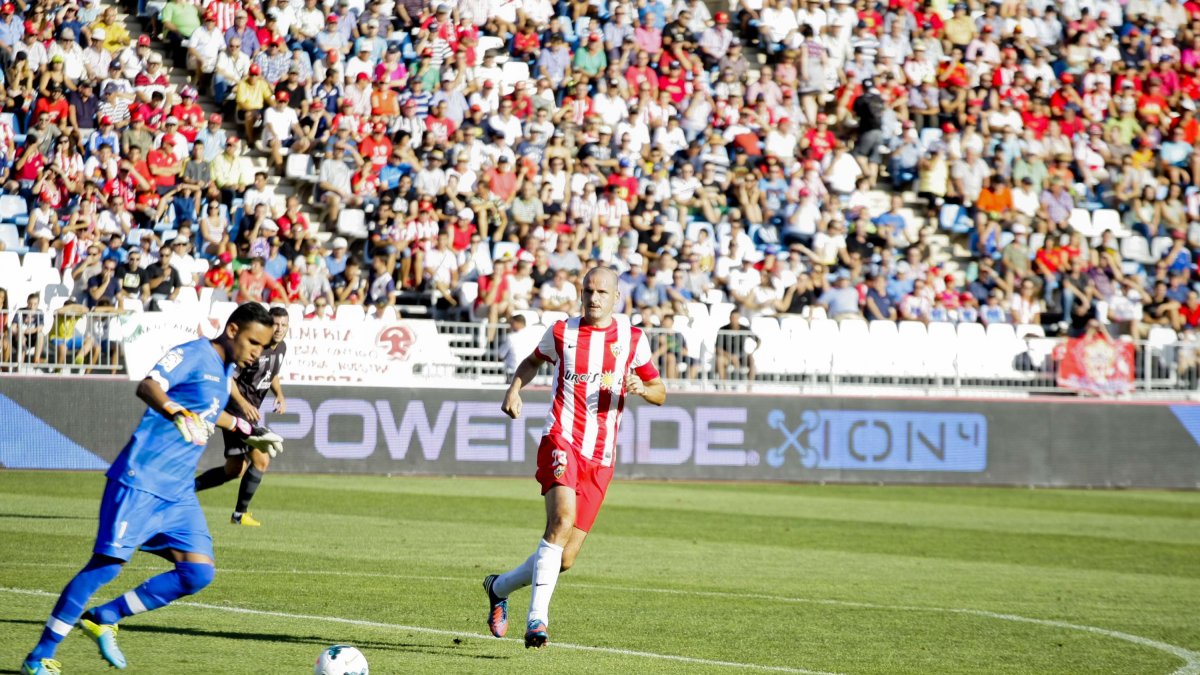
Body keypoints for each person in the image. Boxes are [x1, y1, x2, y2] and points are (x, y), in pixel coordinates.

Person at [21, 303, 282, 675]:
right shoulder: (193, 354)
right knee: (106, 567)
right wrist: (175, 411)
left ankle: (106, 615)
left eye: (264, 346)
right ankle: (38, 657)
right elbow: (149, 386)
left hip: (177, 492)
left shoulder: (225, 370)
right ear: (233, 330)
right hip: (140, 480)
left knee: (198, 573)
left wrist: (248, 431)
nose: (258, 352)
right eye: (255, 343)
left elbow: (208, 411)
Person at [484, 266, 666, 649]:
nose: (594, 298)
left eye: (602, 292)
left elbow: (660, 390)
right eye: (588, 291)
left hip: (601, 458)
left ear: (616, 297)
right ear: (580, 293)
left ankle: (498, 587)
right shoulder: (562, 332)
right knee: (561, 520)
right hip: (561, 439)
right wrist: (513, 390)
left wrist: (642, 389)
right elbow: (533, 361)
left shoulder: (632, 340)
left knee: (564, 558)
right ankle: (537, 621)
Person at [193, 306, 289, 526]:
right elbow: (229, 379)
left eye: (284, 325)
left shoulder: (281, 348)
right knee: (262, 459)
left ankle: (187, 490)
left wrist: (280, 395)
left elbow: (272, 374)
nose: (279, 329)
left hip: (249, 410)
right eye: (275, 324)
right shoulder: (256, 349)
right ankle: (239, 515)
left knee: (235, 469)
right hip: (236, 408)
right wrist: (244, 404)